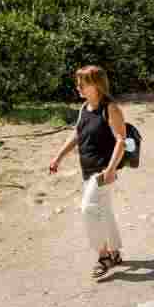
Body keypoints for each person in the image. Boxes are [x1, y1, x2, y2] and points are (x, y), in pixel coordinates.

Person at [49, 65, 127, 279]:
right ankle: (115, 252)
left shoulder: (110, 108)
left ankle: (103, 256)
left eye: (82, 84)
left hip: (103, 171)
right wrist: (58, 157)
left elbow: (121, 139)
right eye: (78, 84)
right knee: (104, 210)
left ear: (96, 85)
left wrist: (111, 169)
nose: (78, 88)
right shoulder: (85, 108)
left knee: (88, 209)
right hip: (87, 169)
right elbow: (76, 135)